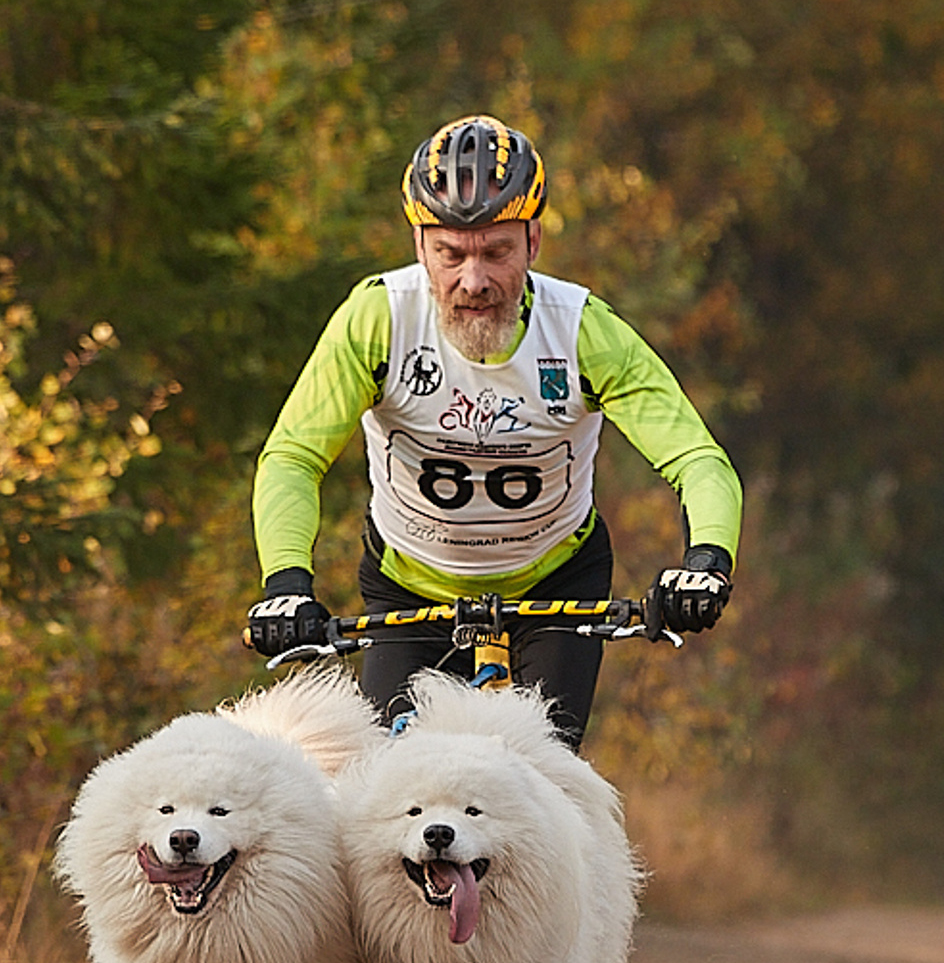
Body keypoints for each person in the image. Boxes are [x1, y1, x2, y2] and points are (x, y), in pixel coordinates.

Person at [246, 113, 743, 748]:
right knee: (387, 799)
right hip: (411, 583)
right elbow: (292, 457)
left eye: (496, 252)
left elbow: (697, 459)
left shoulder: (581, 330)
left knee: (543, 788)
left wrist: (705, 562)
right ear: (420, 247)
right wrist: (287, 583)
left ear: (534, 242)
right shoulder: (377, 318)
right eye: (450, 254)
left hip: (554, 584)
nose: (473, 281)